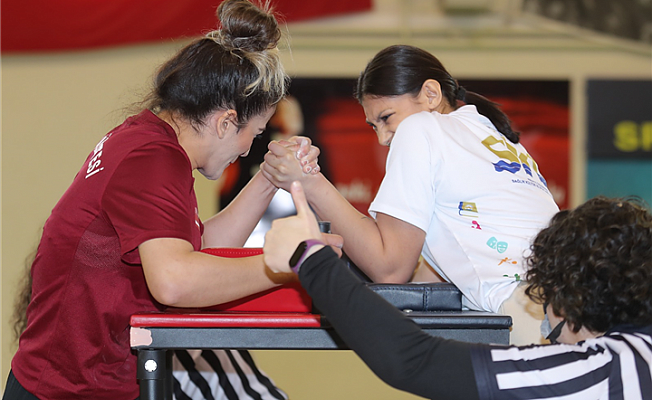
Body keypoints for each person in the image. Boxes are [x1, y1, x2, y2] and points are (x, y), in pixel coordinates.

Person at [2, 1, 323, 399]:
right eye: (254, 135)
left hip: (89, 383)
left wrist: (268, 180)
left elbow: (200, 252)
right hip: (63, 391)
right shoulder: (151, 157)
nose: (247, 150)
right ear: (225, 122)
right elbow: (174, 281)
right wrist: (289, 263)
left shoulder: (153, 144)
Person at [261, 44, 560, 344]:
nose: (382, 138)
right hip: (565, 300)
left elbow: (390, 268)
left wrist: (309, 182)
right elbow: (429, 276)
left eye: (386, 118)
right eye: (373, 126)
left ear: (431, 94)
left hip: (530, 313)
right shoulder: (498, 137)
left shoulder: (420, 127)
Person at [264, 182, 652, 400]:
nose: (547, 333)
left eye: (547, 306)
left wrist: (311, 260)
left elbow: (414, 362)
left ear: (571, 303)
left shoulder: (605, 369)